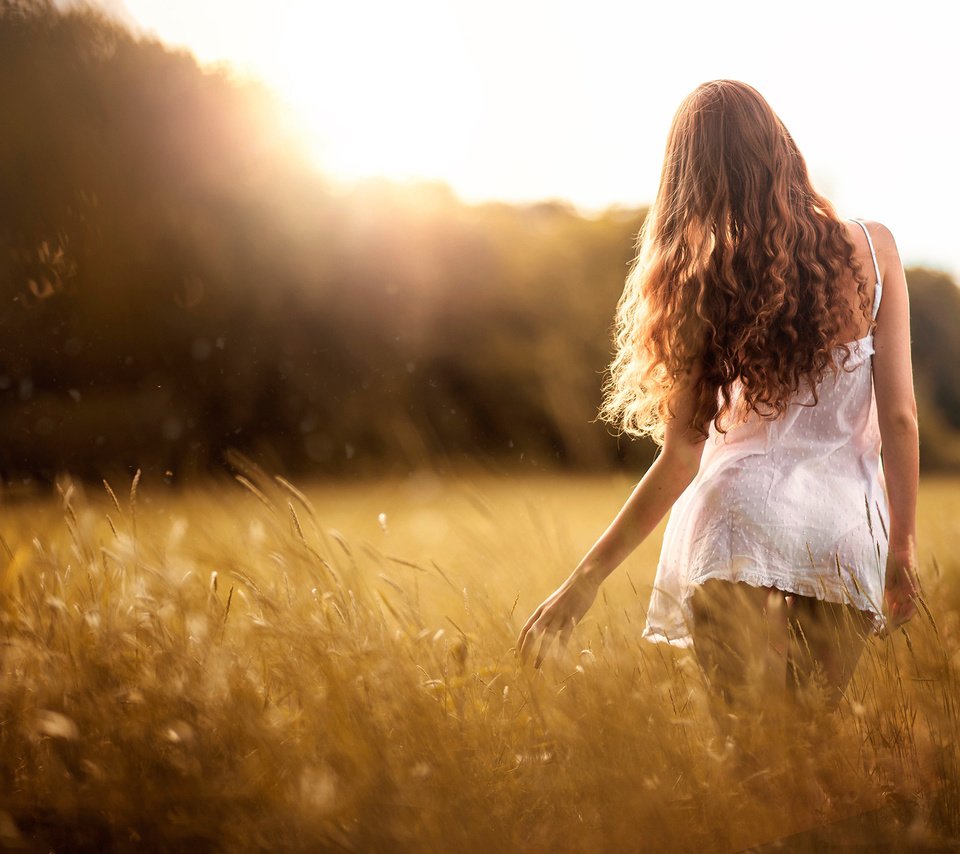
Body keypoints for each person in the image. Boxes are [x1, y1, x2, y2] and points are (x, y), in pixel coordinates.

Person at [516, 80, 920, 716]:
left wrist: (582, 582)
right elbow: (899, 417)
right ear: (780, 149)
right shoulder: (876, 251)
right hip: (842, 532)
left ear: (690, 180)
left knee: (741, 754)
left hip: (736, 520)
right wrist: (901, 547)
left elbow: (682, 456)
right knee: (808, 747)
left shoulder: (707, 282)